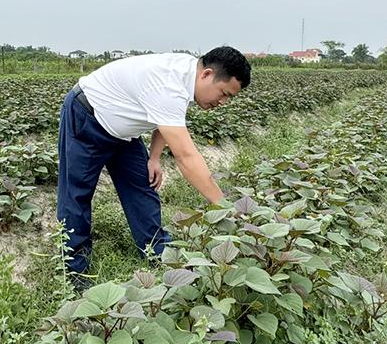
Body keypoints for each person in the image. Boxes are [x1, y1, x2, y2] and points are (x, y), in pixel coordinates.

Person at [56, 46, 251, 286]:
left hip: (125, 130)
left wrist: (154, 158)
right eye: (224, 94)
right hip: (88, 117)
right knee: (76, 194)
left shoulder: (188, 75)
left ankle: (158, 252)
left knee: (143, 186)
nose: (223, 102)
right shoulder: (168, 85)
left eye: (229, 98)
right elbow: (186, 157)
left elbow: (167, 117)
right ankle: (75, 272)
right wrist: (224, 206)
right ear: (207, 74)